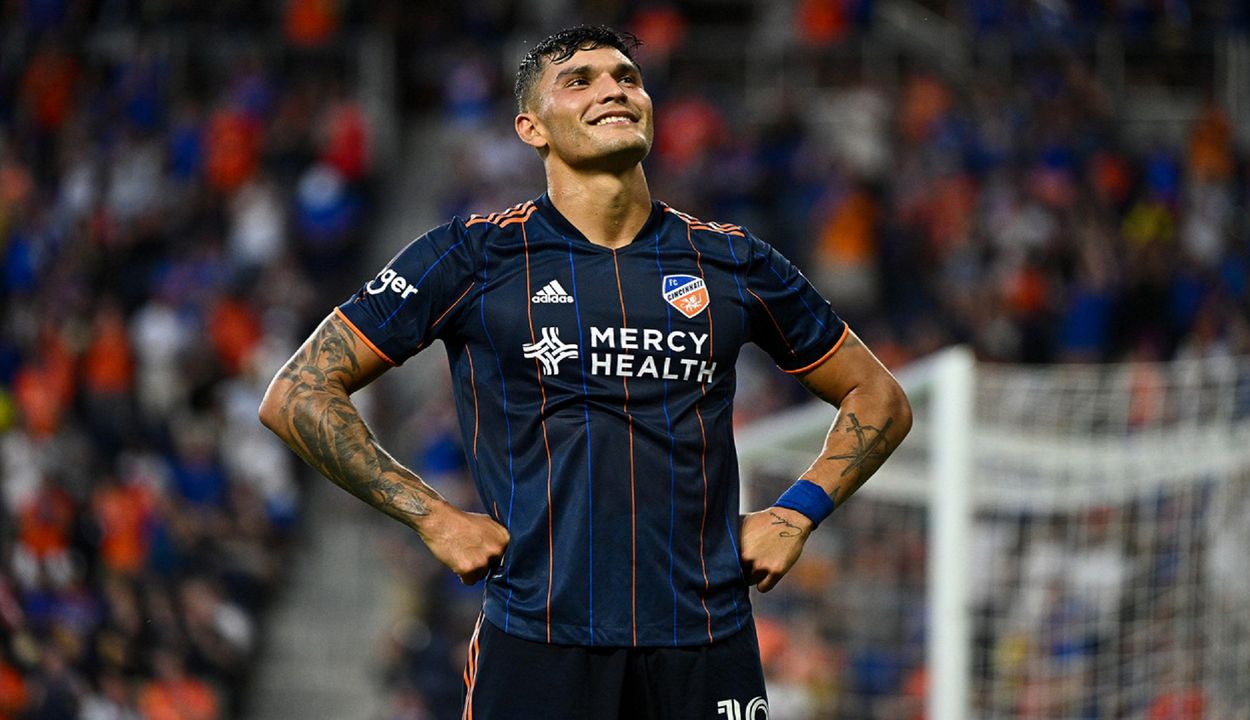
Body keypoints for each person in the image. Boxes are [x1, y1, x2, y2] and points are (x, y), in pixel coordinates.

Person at [259, 25, 912, 719]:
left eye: (627, 78)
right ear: (530, 127)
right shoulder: (474, 257)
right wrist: (433, 516)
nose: (614, 90)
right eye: (581, 80)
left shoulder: (732, 261)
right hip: (539, 641)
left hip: (706, 639)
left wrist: (797, 510)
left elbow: (880, 396)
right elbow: (296, 394)